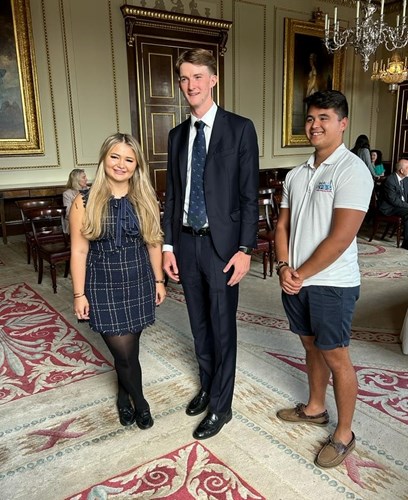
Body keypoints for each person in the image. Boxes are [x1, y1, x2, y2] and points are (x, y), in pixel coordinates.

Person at [162, 48, 259, 440]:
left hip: (223, 247)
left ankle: (222, 406)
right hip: (186, 243)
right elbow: (171, 196)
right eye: (184, 79)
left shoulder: (239, 128)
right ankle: (207, 385)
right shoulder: (176, 135)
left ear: (213, 79)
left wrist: (245, 249)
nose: (190, 85)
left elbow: (249, 196)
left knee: (222, 328)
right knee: (199, 325)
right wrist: (168, 247)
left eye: (197, 77)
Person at [275, 90, 373, 468]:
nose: (315, 125)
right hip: (296, 279)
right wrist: (284, 266)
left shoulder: (352, 170)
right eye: (311, 118)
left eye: (324, 118)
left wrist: (301, 274)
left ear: (343, 123)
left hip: (332, 283)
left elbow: (341, 237)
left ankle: (344, 433)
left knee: (336, 356)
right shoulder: (296, 174)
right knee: (311, 348)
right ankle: (315, 408)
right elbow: (282, 225)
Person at [70, 133, 166, 429]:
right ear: (103, 159)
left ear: (136, 165)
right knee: (123, 354)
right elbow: (79, 249)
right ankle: (141, 401)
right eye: (115, 156)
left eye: (128, 159)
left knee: (130, 351)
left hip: (138, 280)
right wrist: (78, 294)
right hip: (103, 284)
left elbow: (153, 243)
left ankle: (124, 398)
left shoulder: (145, 199)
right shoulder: (83, 201)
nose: (120, 164)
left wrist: (159, 281)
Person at [378, 158, 408, 249]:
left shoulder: (406, 179)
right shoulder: (390, 180)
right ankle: (406, 243)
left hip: (400, 206)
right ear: (401, 170)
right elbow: (393, 200)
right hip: (389, 208)